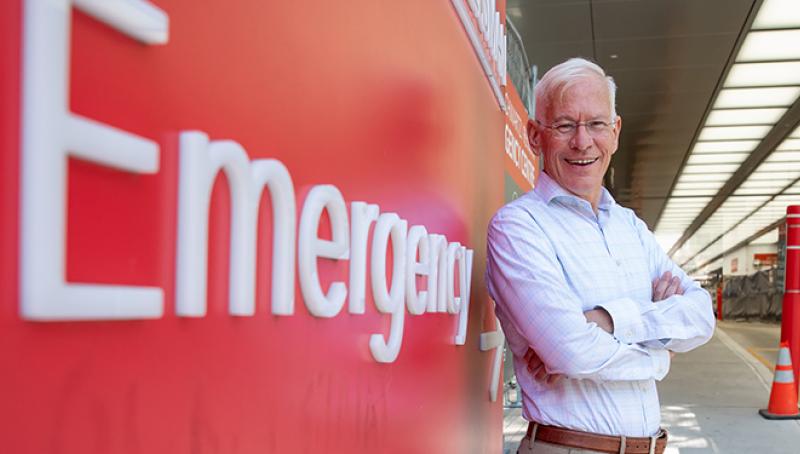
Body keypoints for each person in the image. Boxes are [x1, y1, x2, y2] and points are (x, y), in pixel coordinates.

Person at [485, 58, 715, 454]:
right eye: (564, 125)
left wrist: (607, 320)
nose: (582, 142)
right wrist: (660, 354)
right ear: (534, 135)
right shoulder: (517, 227)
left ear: (616, 131)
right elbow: (571, 352)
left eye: (595, 124)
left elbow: (700, 316)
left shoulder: (631, 228)